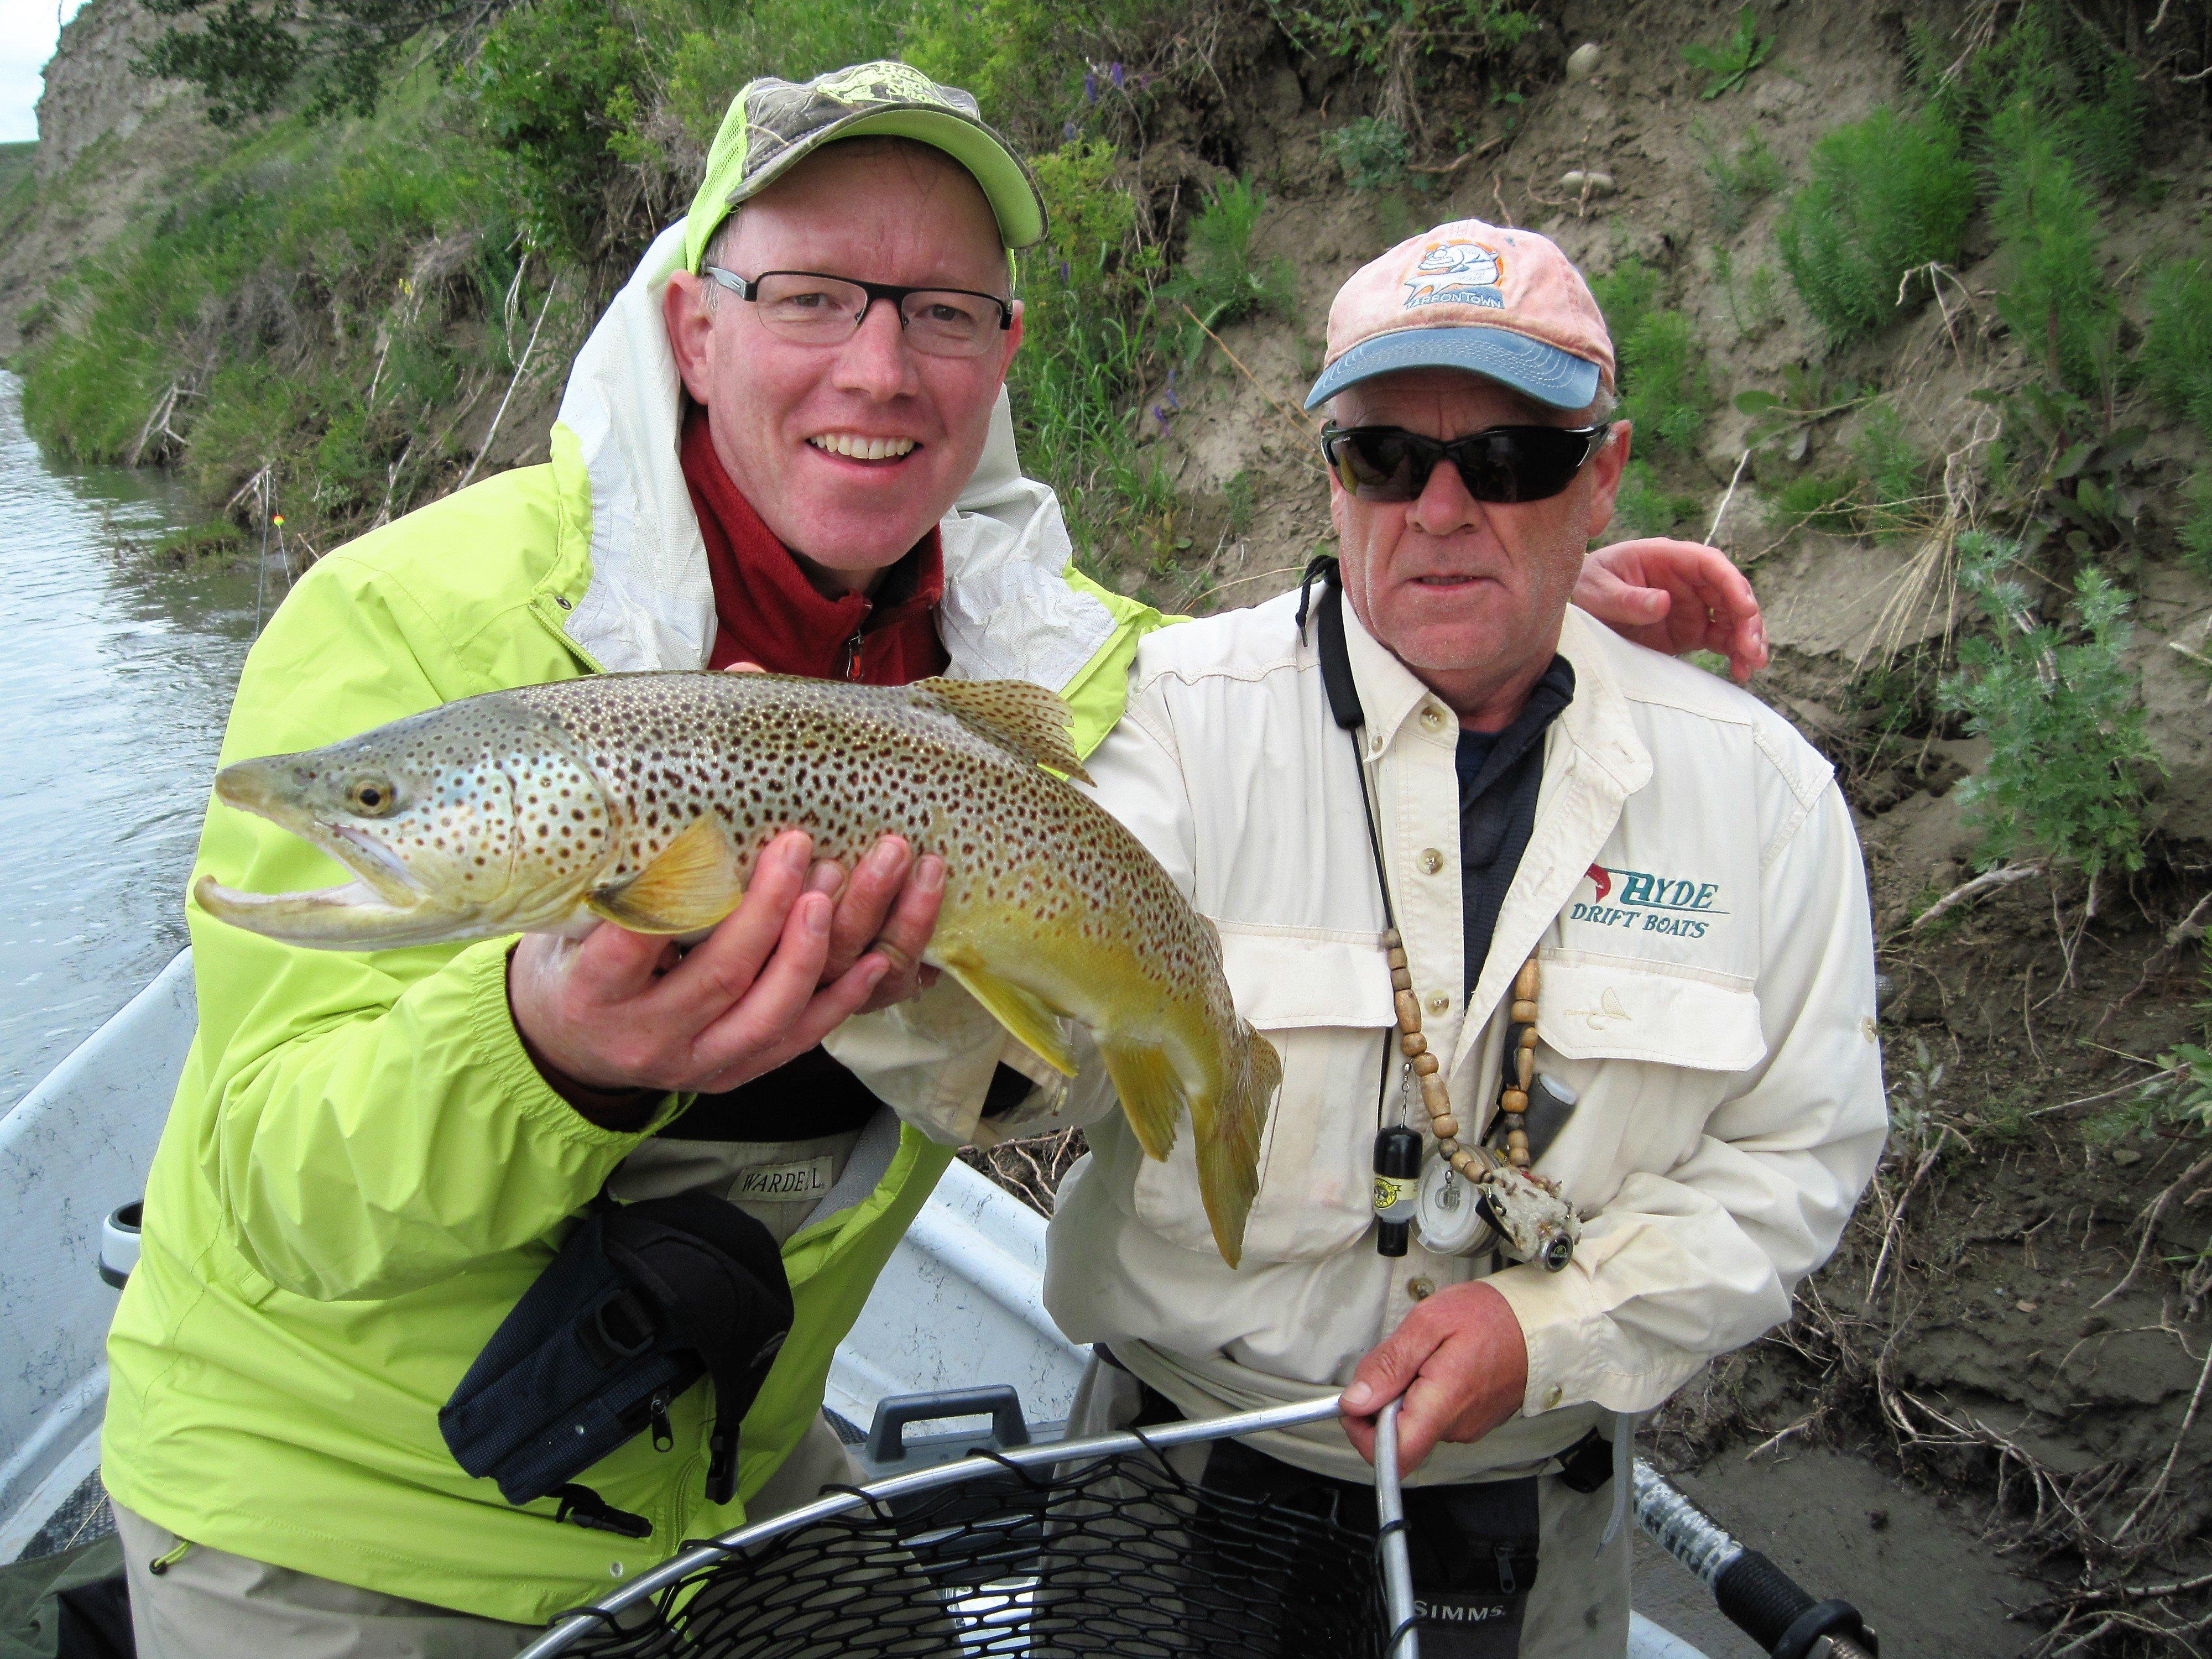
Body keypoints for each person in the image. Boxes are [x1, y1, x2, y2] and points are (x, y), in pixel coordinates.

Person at [102, 53, 1768, 1653]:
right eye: (811, 296)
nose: (879, 369)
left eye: (942, 312)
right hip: (340, 1525)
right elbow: (273, 1194)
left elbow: (1284, 677)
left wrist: (1505, 596)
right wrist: (549, 1050)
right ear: (692, 328)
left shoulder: (1064, 664)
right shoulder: (408, 625)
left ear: (1003, 351)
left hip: (735, 1473)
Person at [1021, 219, 1888, 1658]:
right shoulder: (1166, 722)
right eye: (1385, 457)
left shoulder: (1769, 802)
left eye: (1510, 460)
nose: (1439, 507)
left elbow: (1796, 1160)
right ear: (1331, 474)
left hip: (1537, 1517)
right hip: (1172, 1473)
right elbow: (1016, 1060)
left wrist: (1548, 1331)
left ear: (1601, 475)